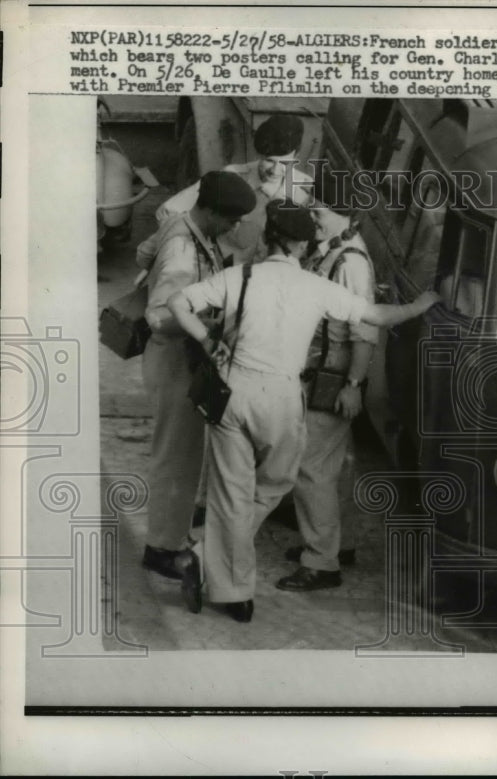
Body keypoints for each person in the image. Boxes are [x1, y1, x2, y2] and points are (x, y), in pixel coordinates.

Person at [167, 199, 440, 622]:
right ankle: (208, 562)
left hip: (232, 389)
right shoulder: (318, 287)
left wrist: (207, 340)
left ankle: (230, 588)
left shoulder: (239, 276)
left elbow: (179, 302)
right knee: (276, 484)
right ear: (300, 247)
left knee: (229, 493)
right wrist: (422, 304)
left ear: (267, 238)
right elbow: (377, 316)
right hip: (281, 396)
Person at [138, 171, 257, 579]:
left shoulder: (181, 223)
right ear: (208, 210)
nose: (234, 226)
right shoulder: (183, 250)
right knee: (177, 457)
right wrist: (207, 322)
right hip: (176, 362)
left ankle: (169, 535)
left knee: (182, 455)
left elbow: (141, 252)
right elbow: (157, 315)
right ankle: (162, 547)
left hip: (178, 360)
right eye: (231, 218)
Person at [279, 173, 379, 592]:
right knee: (334, 466)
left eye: (321, 210)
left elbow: (365, 332)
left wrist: (353, 384)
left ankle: (321, 562)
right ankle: (341, 545)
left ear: (347, 215)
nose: (314, 217)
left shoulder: (351, 264)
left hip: (331, 379)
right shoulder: (333, 251)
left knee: (312, 468)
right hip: (323, 374)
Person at [155, 114, 314, 267]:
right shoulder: (232, 176)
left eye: (284, 163)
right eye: (269, 161)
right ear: (259, 154)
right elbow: (167, 211)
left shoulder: (305, 188)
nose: (275, 170)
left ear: (296, 155)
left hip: (270, 280)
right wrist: (192, 255)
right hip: (222, 273)